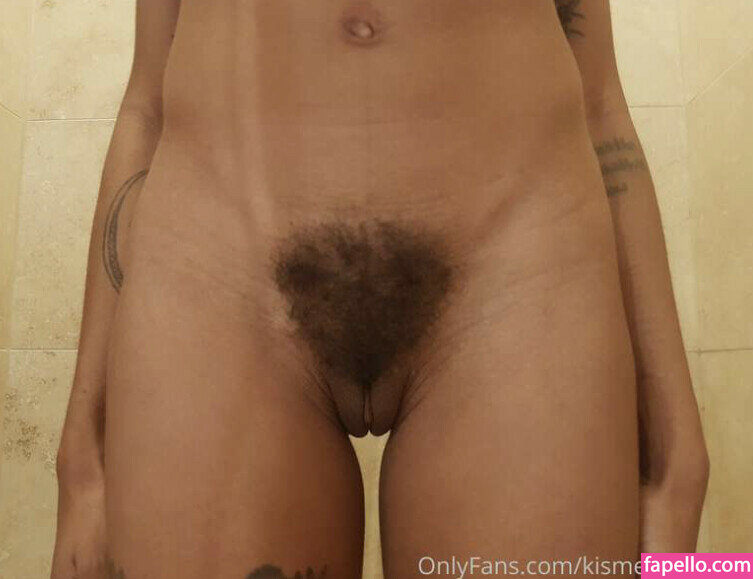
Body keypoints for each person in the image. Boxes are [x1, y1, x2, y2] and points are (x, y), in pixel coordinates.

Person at [51, 1, 709, 578]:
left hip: (517, 262)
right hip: (218, 263)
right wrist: (81, 460)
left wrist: (678, 456)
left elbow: (599, 104)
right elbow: (147, 102)